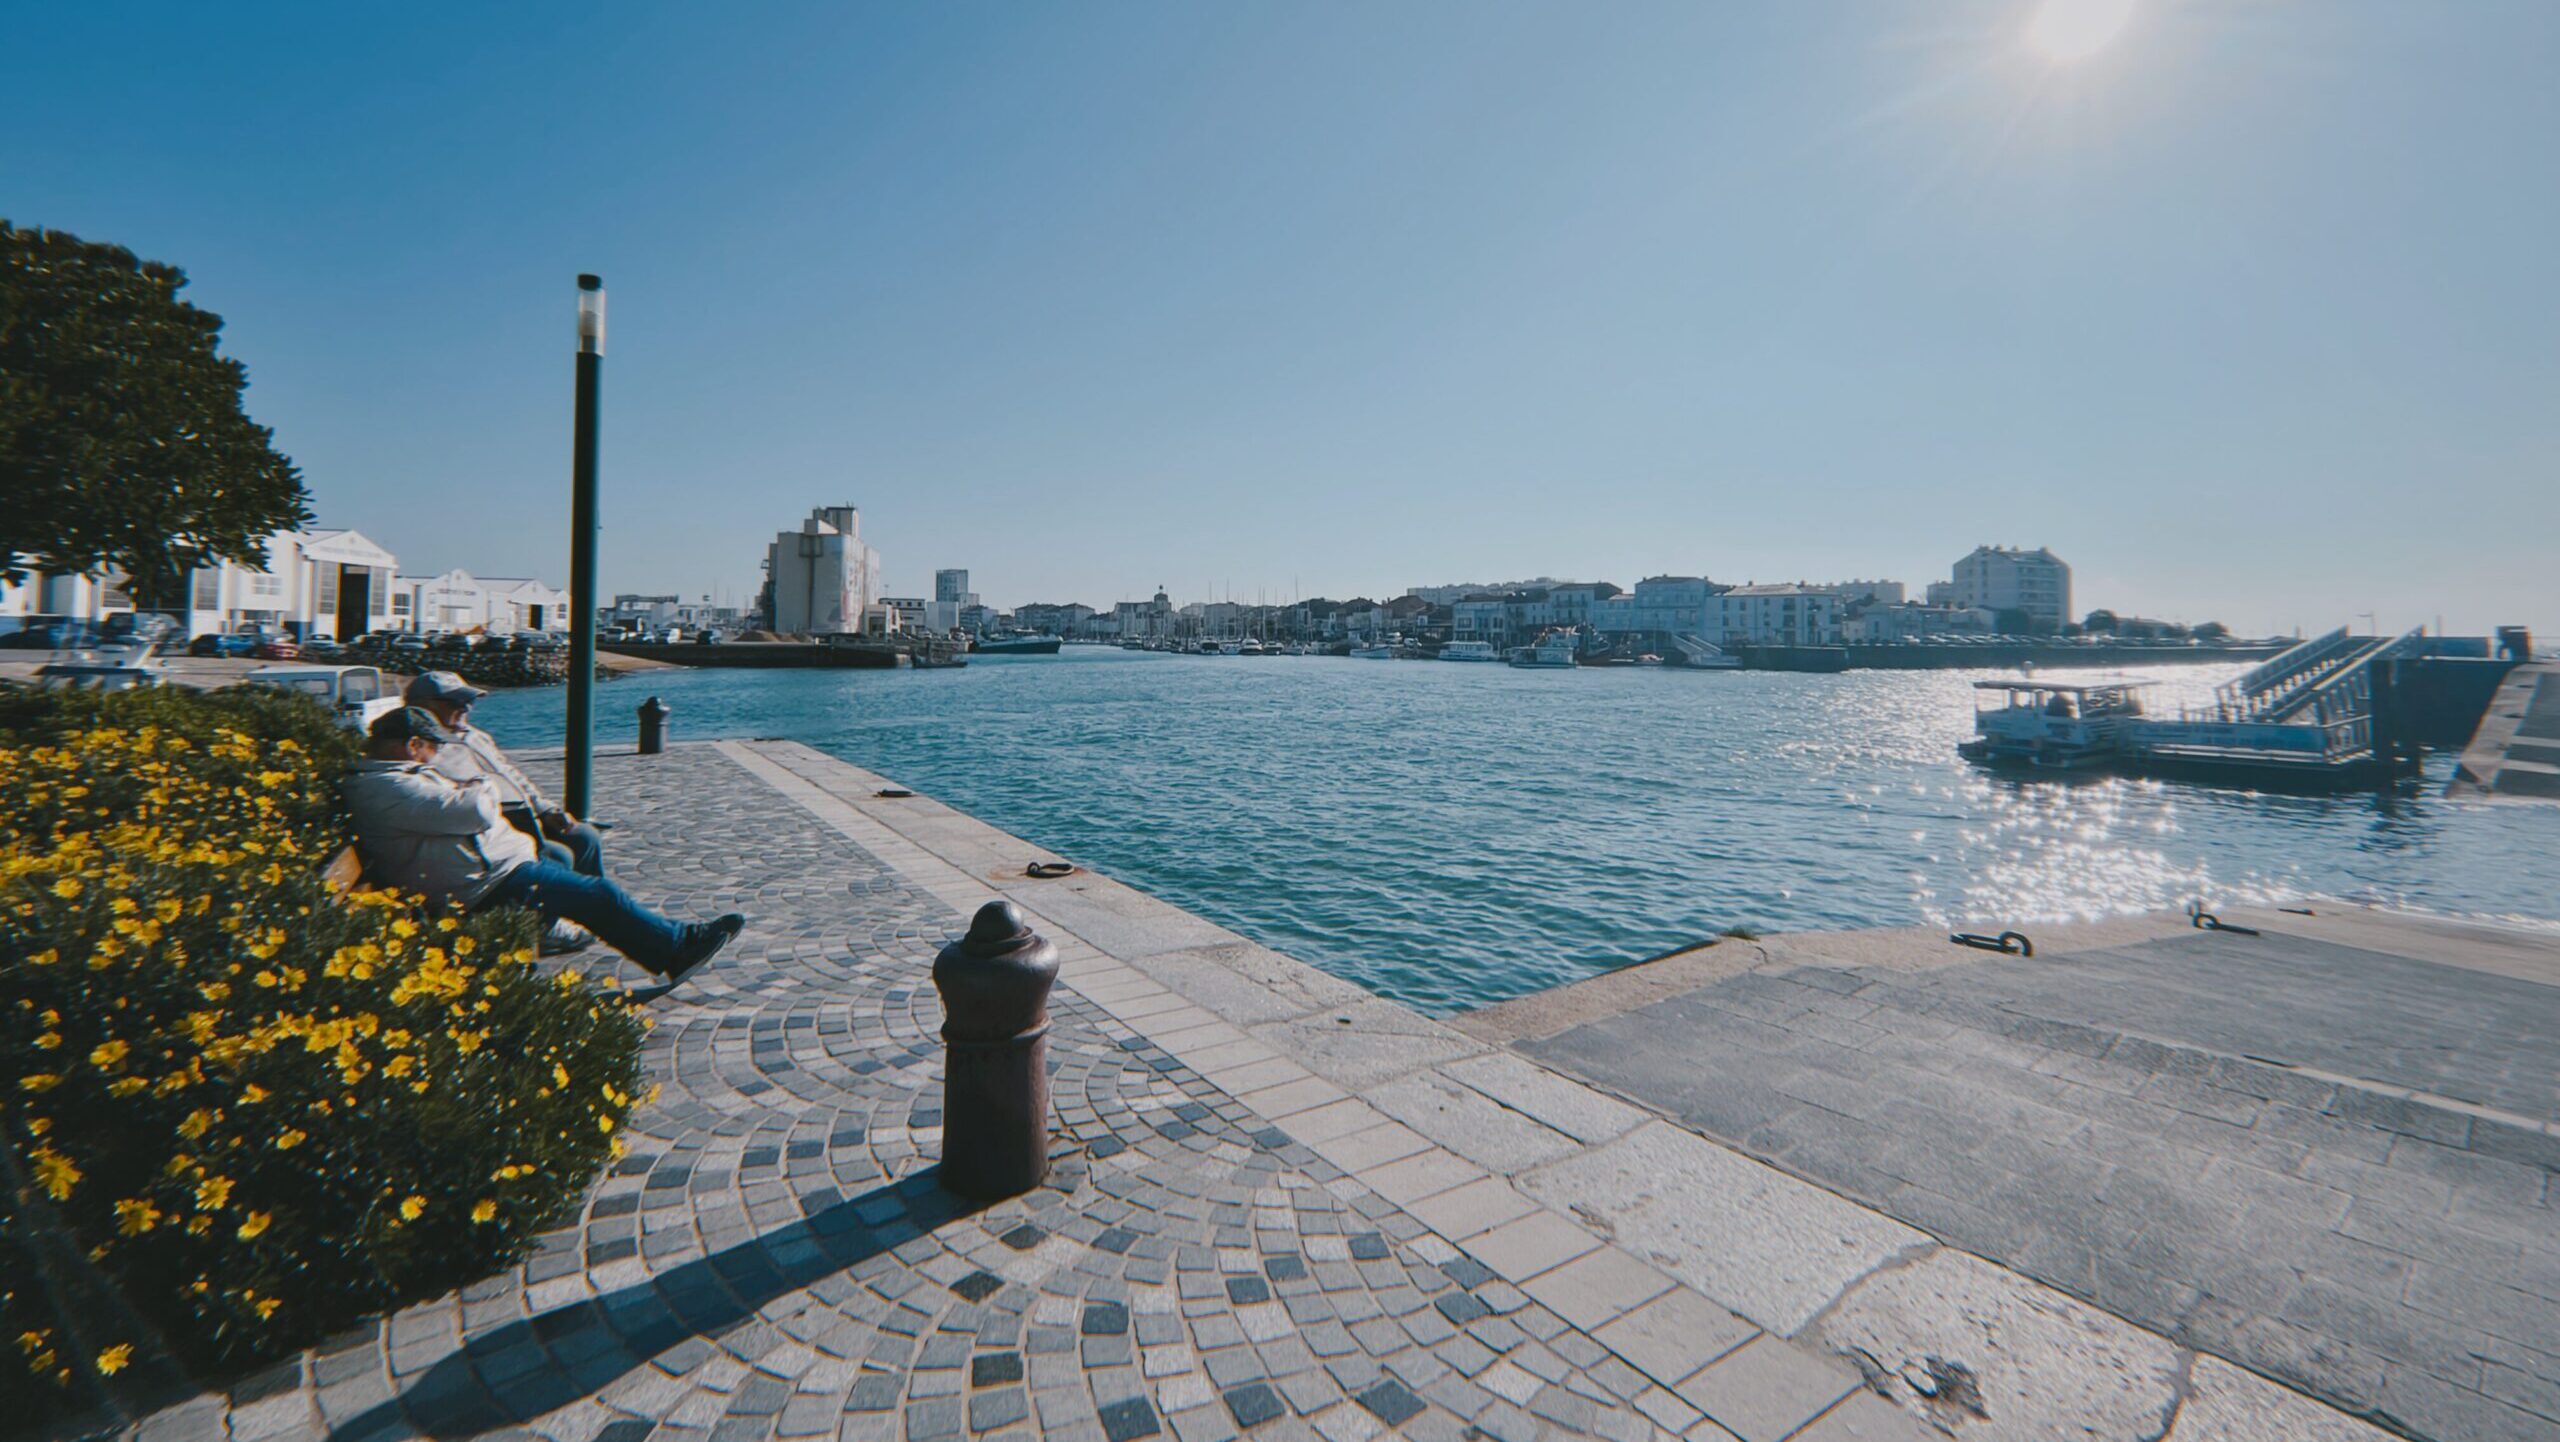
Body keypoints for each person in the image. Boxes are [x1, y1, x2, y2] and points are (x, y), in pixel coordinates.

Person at [345, 706, 743, 986]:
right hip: (482, 888)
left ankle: (678, 940)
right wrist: (481, 782)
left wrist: (472, 794)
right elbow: (476, 810)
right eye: (432, 748)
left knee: (582, 880)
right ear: (412, 745)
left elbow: (461, 811)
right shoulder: (386, 787)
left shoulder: (397, 778)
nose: (436, 756)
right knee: (598, 895)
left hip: (496, 873)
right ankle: (676, 949)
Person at [404, 670, 604, 877]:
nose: (466, 707)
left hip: (528, 816)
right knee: (558, 855)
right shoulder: (422, 749)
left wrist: (546, 810)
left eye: (469, 700)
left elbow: (510, 774)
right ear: (423, 706)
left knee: (585, 836)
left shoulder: (474, 736)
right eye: (456, 701)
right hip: (493, 828)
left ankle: (590, 893)